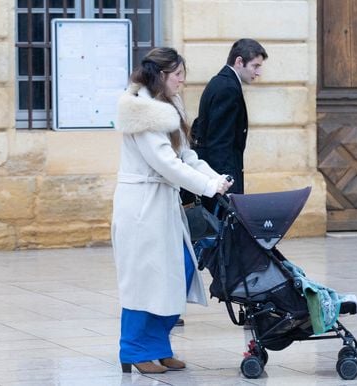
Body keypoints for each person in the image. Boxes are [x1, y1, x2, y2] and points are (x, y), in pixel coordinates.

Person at [111, 47, 233, 374]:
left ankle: (158, 346)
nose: (182, 80)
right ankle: (134, 350)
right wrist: (206, 187)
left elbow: (186, 157)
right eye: (177, 74)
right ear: (161, 75)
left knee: (175, 272)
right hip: (142, 206)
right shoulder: (145, 113)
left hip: (162, 204)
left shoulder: (167, 107)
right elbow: (165, 163)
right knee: (144, 279)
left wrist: (215, 178)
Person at [191, 38, 268, 211]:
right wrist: (226, 186)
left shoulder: (222, 82)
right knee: (223, 233)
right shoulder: (227, 88)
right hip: (220, 177)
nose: (258, 72)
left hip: (214, 174)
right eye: (255, 66)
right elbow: (220, 142)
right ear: (239, 61)